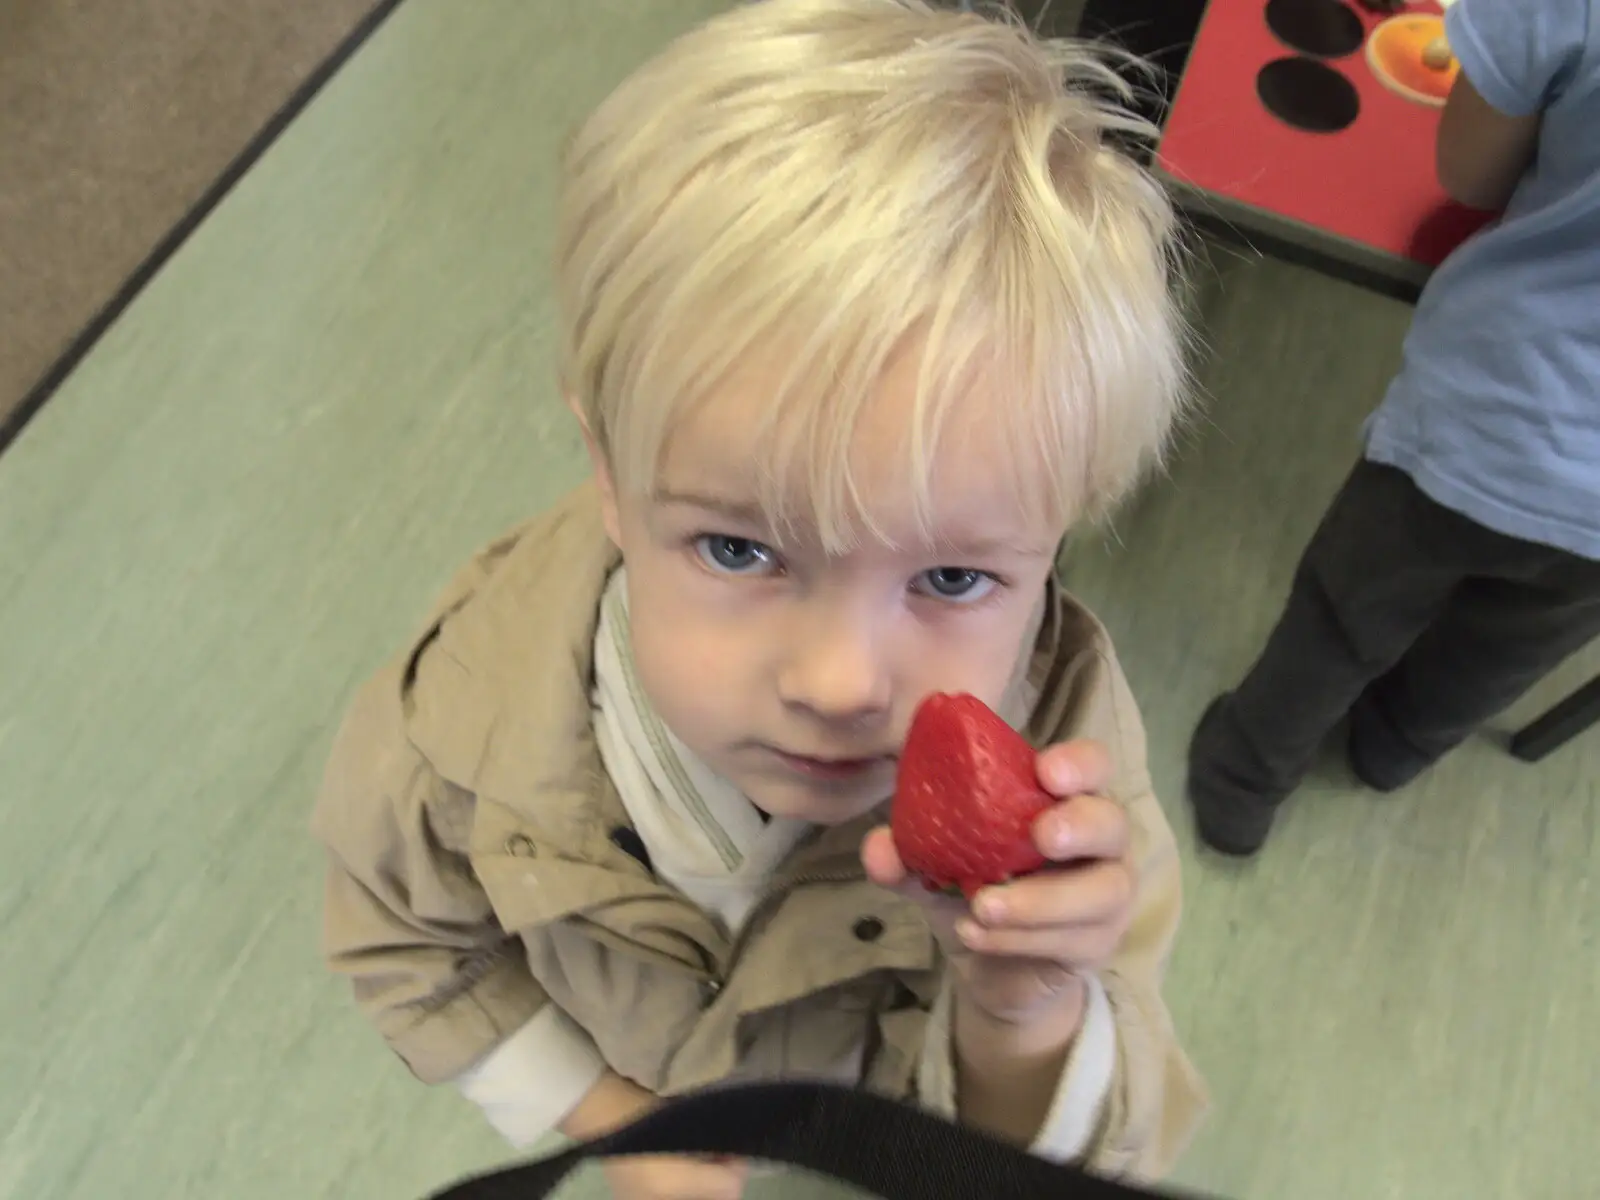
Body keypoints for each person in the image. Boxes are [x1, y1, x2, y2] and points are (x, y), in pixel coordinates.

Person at [312, 2, 1207, 1195]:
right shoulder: (458, 732)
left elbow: (1091, 1141)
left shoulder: (1075, 797)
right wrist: (605, 1113)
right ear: (611, 478)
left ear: (1060, 530)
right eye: (739, 550)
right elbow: (404, 934)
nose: (840, 683)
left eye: (950, 576)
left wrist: (1025, 1008)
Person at [1187, 0, 1600, 858]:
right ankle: (1391, 751)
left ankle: (1244, 776)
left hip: (1501, 409)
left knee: (1346, 616)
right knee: (1504, 651)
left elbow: (1471, 174)